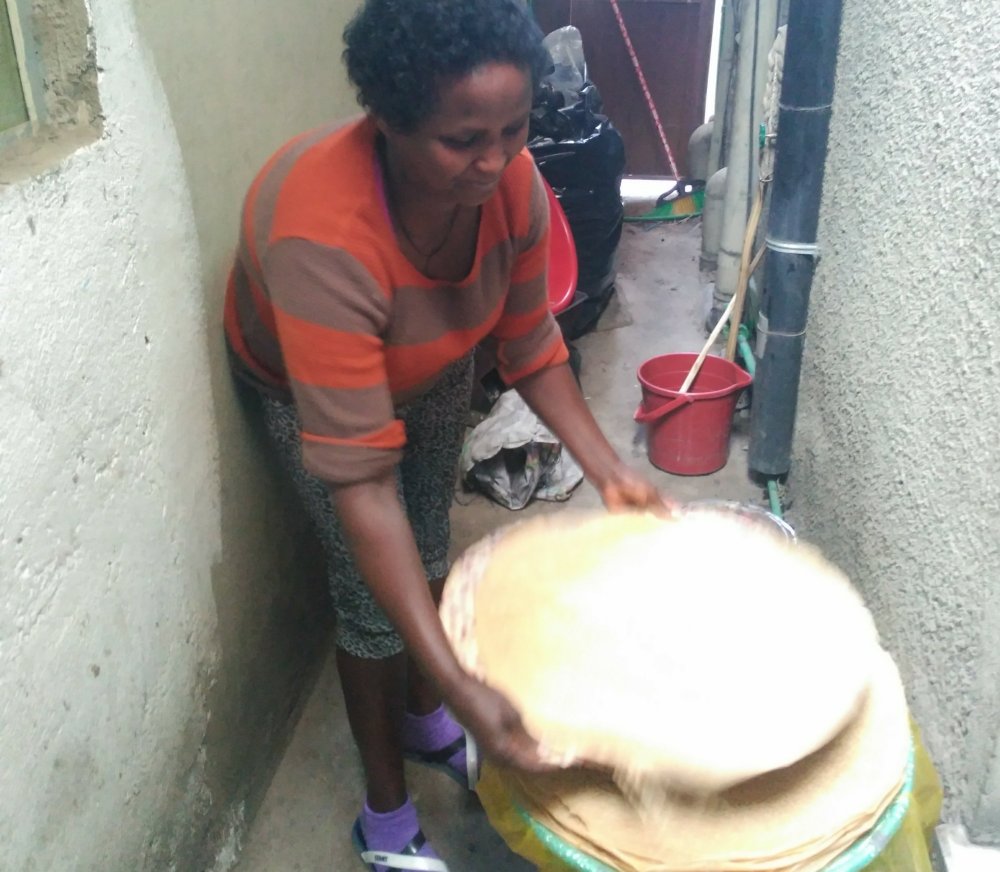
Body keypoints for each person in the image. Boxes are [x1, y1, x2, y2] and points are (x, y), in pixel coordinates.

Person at [223, 0, 667, 868]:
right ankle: (386, 819)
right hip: (311, 385)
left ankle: (426, 717)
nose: (494, 161)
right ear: (388, 120)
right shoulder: (323, 236)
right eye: (463, 140)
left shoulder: (513, 187)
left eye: (514, 128)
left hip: (435, 355)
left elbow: (531, 341)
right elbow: (362, 485)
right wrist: (470, 682)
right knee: (371, 603)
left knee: (431, 541)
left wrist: (610, 470)